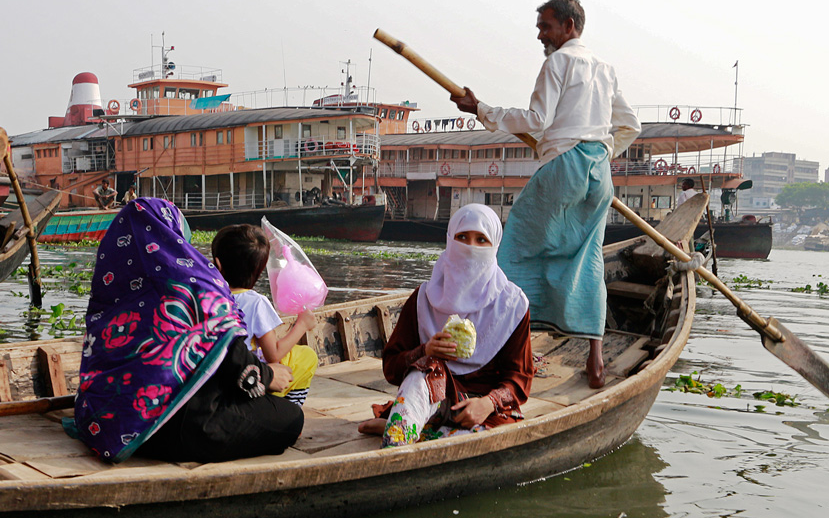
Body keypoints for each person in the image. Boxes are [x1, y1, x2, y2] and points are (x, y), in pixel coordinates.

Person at [452, 0, 640, 389]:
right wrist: (601, 151)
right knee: (588, 258)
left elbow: (537, 120)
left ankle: (499, 347)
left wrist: (481, 109)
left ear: (569, 26)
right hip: (598, 172)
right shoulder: (605, 69)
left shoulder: (558, 62)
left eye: (546, 27)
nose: (541, 35)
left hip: (564, 166)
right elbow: (630, 126)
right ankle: (595, 360)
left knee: (513, 250)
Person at [71, 198, 303, 463]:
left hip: (108, 424)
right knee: (291, 418)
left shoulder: (110, 286)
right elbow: (231, 356)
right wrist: (267, 375)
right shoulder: (195, 283)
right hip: (181, 429)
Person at [358, 204, 533, 447]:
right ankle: (396, 440)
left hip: (482, 410)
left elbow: (519, 377)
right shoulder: (423, 299)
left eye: (481, 240)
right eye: (462, 237)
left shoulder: (512, 305)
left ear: (494, 246)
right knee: (426, 367)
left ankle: (405, 427)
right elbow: (391, 367)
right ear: (450, 240)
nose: (470, 247)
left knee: (472, 441)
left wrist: (488, 403)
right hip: (430, 398)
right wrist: (425, 351)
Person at [211, 224, 318, 406]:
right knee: (307, 356)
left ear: (217, 264)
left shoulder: (209, 297)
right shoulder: (256, 303)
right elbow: (273, 355)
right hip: (251, 377)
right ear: (260, 270)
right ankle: (288, 407)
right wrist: (302, 325)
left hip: (221, 375)